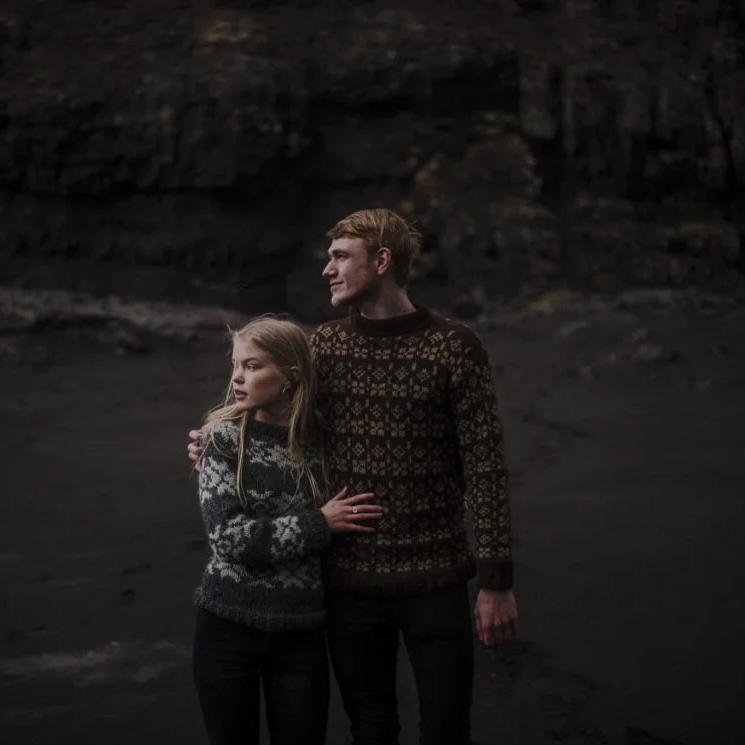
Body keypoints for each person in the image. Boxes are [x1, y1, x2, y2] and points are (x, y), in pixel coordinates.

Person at [190, 209, 519, 745]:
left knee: (446, 729)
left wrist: (496, 581)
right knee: (371, 728)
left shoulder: (455, 347)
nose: (327, 269)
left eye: (341, 257)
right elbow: (283, 416)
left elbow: (485, 466)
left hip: (435, 579)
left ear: (382, 260)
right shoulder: (325, 346)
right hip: (348, 585)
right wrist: (218, 441)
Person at [191, 315, 385, 745]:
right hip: (227, 627)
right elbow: (229, 538)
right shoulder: (222, 440)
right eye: (236, 365)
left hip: (301, 634)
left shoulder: (324, 445)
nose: (237, 377)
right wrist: (320, 523)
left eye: (252, 366)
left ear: (290, 377)